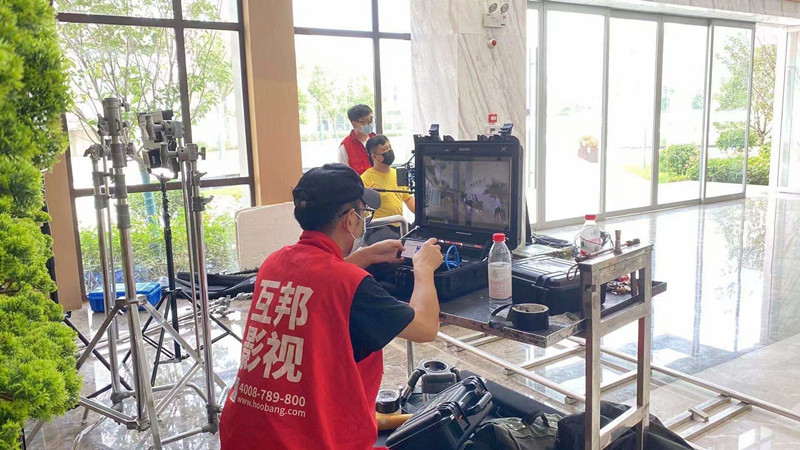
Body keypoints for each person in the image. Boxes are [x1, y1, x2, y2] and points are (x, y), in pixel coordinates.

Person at [219, 163, 443, 450]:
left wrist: (364, 255)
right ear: (350, 220)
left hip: (243, 435)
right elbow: (425, 327)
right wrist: (424, 269)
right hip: (307, 442)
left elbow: (317, 276)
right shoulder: (351, 284)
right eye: (362, 213)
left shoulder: (274, 263)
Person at [361, 135, 416, 244]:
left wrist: (424, 215)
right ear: (374, 156)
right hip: (377, 227)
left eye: (390, 147)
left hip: (399, 224)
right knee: (396, 242)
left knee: (421, 236)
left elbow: (408, 199)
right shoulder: (365, 179)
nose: (389, 151)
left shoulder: (396, 174)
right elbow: (360, 209)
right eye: (385, 149)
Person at [338, 104, 376, 175]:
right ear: (354, 124)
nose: (369, 124)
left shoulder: (376, 139)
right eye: (364, 121)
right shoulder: (345, 147)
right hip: (358, 182)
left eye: (371, 120)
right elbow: (343, 174)